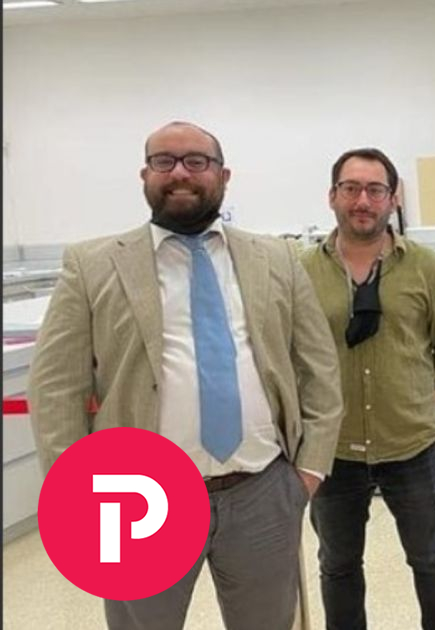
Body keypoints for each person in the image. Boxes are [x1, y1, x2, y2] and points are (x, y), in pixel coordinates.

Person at [28, 121, 344, 630]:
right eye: (164, 161)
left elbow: (319, 368)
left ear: (223, 175)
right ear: (144, 175)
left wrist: (308, 473)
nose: (180, 173)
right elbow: (55, 388)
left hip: (261, 489)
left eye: (197, 161)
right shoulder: (91, 265)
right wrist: (77, 493)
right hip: (134, 498)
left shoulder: (277, 258)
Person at [299, 148, 435, 630]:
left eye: (375, 190)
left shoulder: (425, 267)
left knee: (430, 559)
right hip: (331, 449)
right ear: (332, 196)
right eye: (351, 188)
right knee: (337, 565)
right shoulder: (302, 270)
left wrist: (413, 391)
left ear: (392, 199)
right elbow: (290, 350)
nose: (363, 200)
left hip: (410, 442)